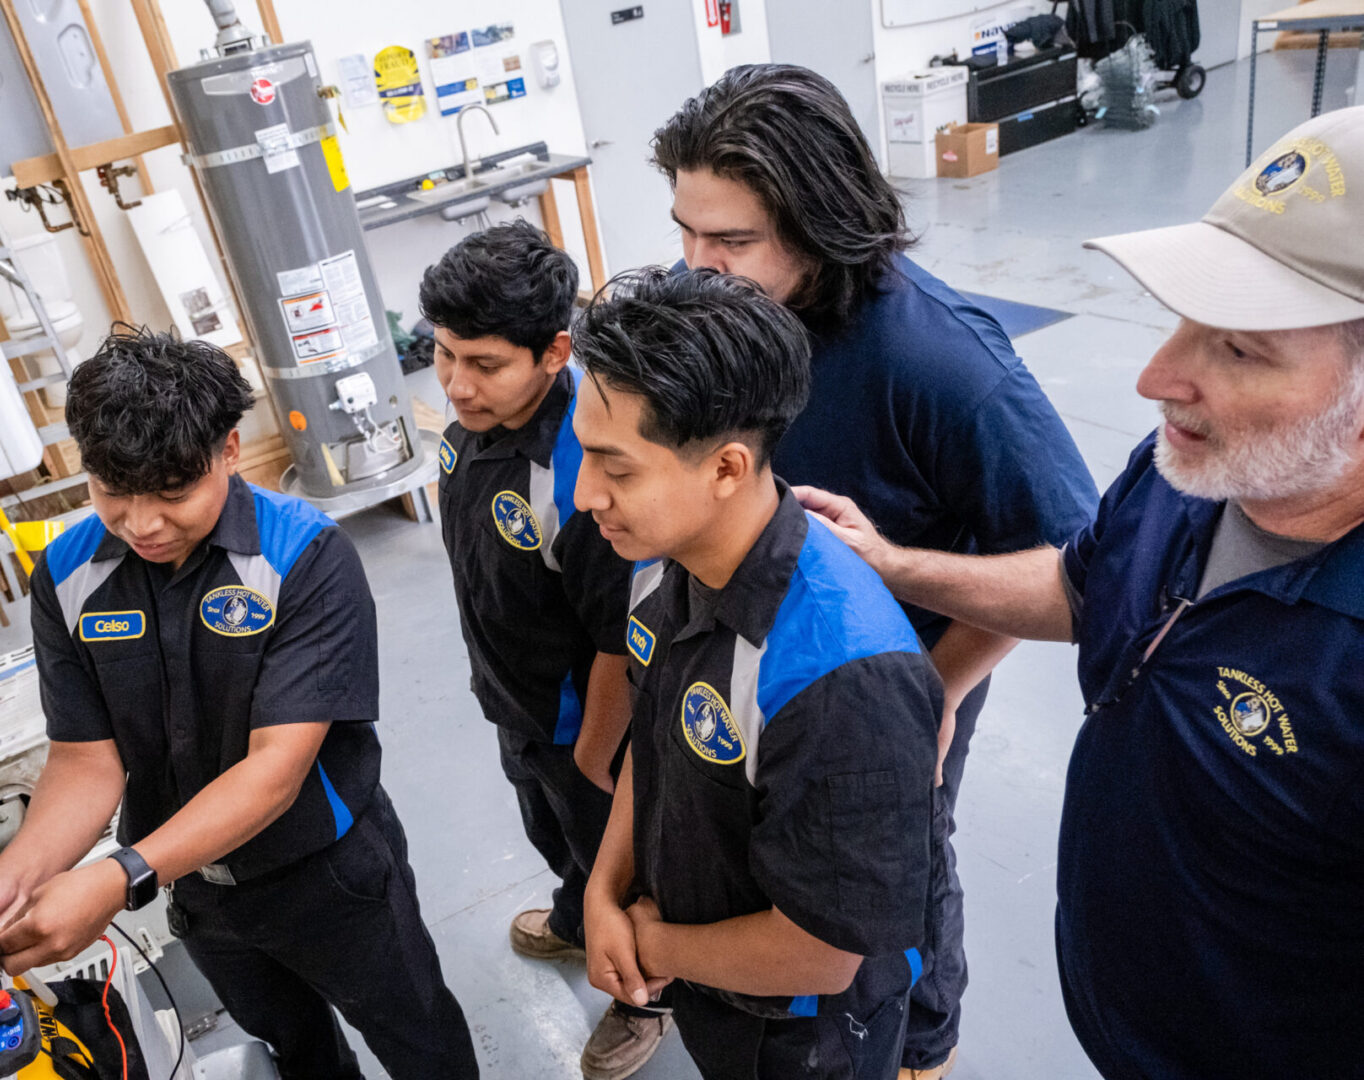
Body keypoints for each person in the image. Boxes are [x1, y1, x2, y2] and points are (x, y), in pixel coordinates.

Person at [795, 108, 1364, 1077]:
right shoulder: (1193, 472)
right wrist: (895, 564)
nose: (1157, 377)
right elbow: (1081, 584)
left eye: (1238, 350)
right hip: (1126, 1016)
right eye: (1184, 324)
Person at [651, 64, 1099, 1079]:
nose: (695, 264)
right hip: (770, 650)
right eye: (685, 230)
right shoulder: (739, 310)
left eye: (730, 242)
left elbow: (1082, 570)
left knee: (907, 865)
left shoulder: (942, 364)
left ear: (820, 222)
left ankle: (923, 1045)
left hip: (906, 670)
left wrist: (939, 686)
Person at [0, 329, 478, 1080]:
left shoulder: (303, 557)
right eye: (114, 493)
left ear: (229, 451)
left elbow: (275, 771)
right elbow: (88, 760)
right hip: (203, 897)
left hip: (331, 877)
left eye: (174, 494)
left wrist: (118, 876)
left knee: (418, 1039)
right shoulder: (68, 573)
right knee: (298, 1051)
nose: (143, 523)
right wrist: (10, 878)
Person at [574, 268, 943, 1080]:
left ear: (728, 468)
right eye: (584, 455)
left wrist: (646, 942)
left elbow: (822, 956)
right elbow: (659, 736)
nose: (583, 493)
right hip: (707, 979)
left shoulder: (840, 676)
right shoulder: (665, 558)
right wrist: (604, 890)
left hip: (804, 1036)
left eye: (617, 468)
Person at [420, 222, 668, 1080]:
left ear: (555, 351)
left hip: (581, 731)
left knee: (621, 864)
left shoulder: (580, 470)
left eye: (483, 364)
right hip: (514, 704)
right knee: (551, 835)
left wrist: (597, 753)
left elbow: (615, 640)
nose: (456, 383)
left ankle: (643, 998)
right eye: (443, 354)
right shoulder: (466, 429)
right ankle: (573, 913)